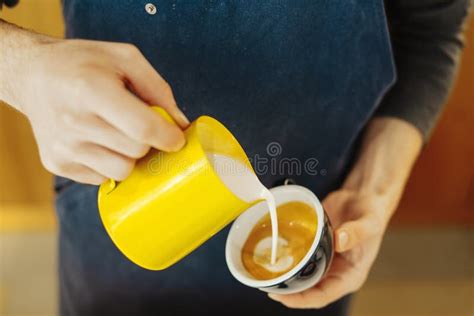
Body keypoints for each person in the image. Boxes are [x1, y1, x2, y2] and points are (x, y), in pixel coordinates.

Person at [0, 0, 470, 315]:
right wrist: (23, 70)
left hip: (323, 213)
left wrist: (374, 188)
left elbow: (429, 32)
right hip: (127, 204)